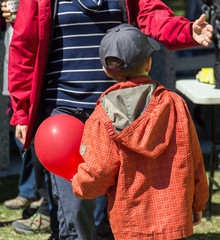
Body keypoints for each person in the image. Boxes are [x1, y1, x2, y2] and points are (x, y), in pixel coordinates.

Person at [6, 0, 212, 239]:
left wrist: (187, 31)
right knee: (73, 213)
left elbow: (152, 15)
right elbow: (24, 48)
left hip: (116, 113)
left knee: (110, 217)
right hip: (61, 113)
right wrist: (22, 112)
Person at [71, 23, 209, 240]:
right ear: (149, 62)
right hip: (173, 218)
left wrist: (79, 184)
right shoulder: (175, 103)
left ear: (106, 70)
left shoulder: (101, 115)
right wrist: (198, 202)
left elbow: (99, 171)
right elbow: (195, 159)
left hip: (129, 223)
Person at [1, 0, 51, 234]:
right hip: (19, 64)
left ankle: (43, 202)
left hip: (43, 67)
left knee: (41, 139)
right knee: (26, 137)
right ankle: (32, 193)